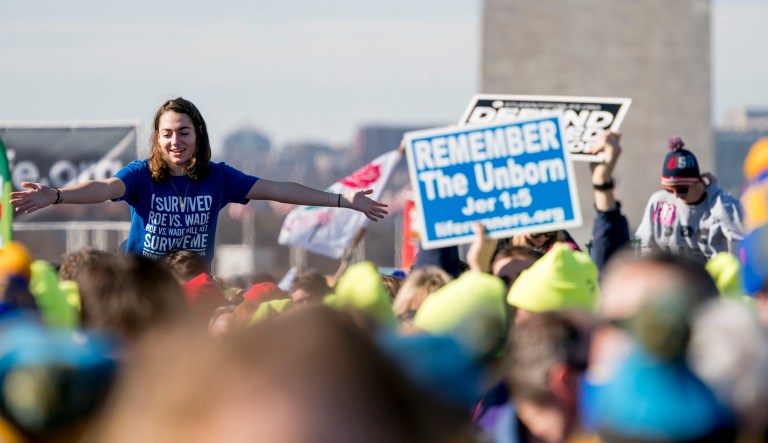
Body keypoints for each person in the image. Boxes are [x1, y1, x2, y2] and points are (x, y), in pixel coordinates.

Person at [10, 97, 388, 266]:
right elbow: (105, 189)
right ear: (157, 138)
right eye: (168, 134)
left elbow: (280, 188)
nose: (176, 141)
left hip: (194, 283)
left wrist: (343, 199)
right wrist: (56, 195)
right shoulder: (141, 175)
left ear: (198, 135)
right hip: (146, 283)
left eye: (184, 132)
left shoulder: (219, 177)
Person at [635, 136, 743, 265]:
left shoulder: (717, 204)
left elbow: (742, 233)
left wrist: (716, 193)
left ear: (697, 182)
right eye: (669, 189)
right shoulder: (660, 202)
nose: (675, 195)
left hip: (708, 282)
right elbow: (644, 244)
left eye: (682, 189)